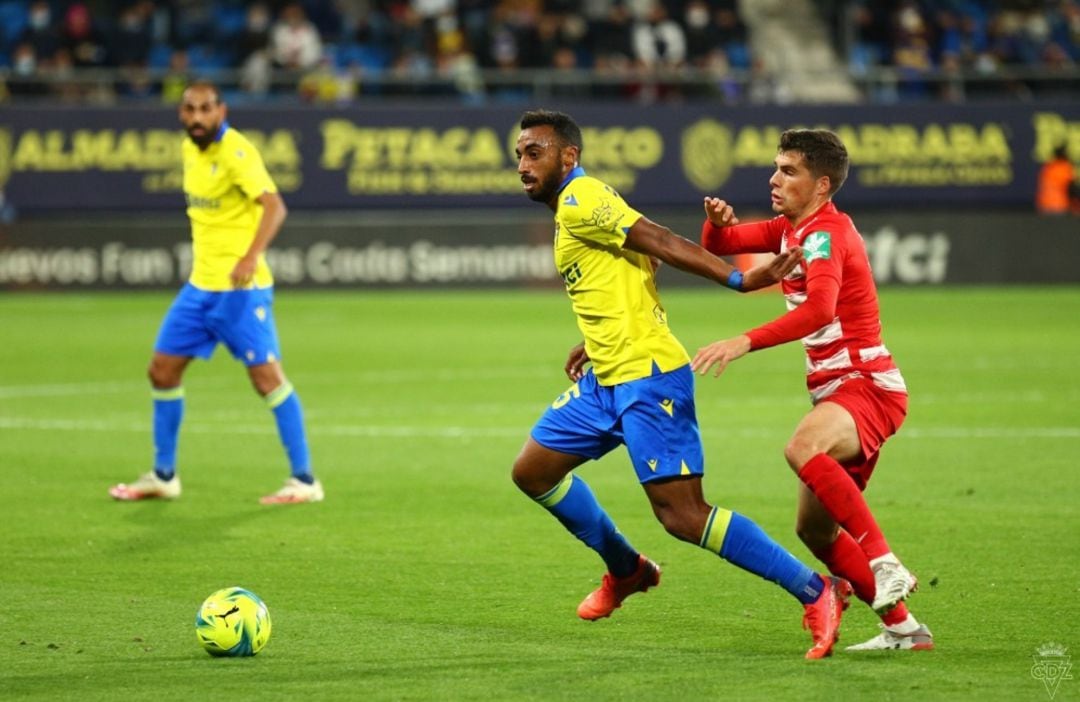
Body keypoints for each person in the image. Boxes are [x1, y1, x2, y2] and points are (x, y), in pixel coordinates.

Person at [510, 109, 853, 660]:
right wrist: (597, 335)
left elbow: (660, 240)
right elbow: (638, 258)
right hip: (605, 376)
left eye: (535, 153)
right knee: (533, 470)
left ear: (568, 156)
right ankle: (626, 570)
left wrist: (739, 279)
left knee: (683, 516)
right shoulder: (577, 206)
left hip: (647, 378)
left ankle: (817, 590)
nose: (523, 165)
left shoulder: (581, 196)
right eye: (520, 155)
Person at [692, 129, 933, 651]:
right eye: (776, 168)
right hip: (838, 391)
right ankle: (905, 629)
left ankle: (885, 562)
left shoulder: (824, 234)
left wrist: (744, 341)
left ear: (821, 185)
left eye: (788, 170)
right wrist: (716, 227)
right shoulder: (791, 228)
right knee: (815, 531)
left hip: (865, 384)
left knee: (802, 448)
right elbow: (725, 248)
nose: (775, 179)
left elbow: (820, 310)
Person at [109, 81, 323, 505]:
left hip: (242, 291)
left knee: (267, 380)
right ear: (181, 114)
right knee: (162, 370)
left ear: (221, 111)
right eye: (190, 109)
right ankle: (164, 475)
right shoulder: (191, 149)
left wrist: (249, 258)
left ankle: (305, 481)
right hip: (200, 288)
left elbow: (275, 207)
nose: (197, 118)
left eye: (206, 109)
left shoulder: (236, 153)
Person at [1035, 144, 1079, 215]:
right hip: (1059, 206)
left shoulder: (1047, 167)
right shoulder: (1064, 167)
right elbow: (1072, 189)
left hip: (1043, 206)